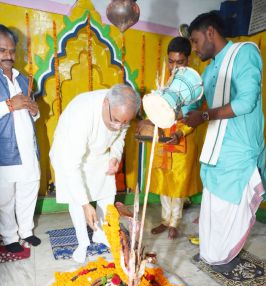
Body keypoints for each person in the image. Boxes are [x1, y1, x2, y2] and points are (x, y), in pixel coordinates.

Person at [182, 12, 265, 272]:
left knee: (229, 208)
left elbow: (245, 102)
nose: (194, 49)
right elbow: (193, 107)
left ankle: (223, 256)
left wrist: (205, 115)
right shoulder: (209, 71)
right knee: (213, 205)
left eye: (195, 41)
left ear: (210, 32)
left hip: (239, 148)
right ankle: (213, 254)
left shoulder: (245, 53)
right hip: (216, 150)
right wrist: (176, 126)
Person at [50, 84, 141, 263]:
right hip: (69, 155)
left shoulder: (121, 113)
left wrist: (114, 156)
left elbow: (120, 136)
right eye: (115, 120)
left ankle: (100, 234)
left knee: (107, 192)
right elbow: (71, 167)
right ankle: (83, 242)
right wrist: (85, 204)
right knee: (76, 199)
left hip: (98, 152)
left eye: (124, 122)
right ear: (106, 103)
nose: (118, 126)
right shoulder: (81, 115)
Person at [142, 37, 201, 239]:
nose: (174, 67)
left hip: (182, 139)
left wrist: (179, 132)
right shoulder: (163, 83)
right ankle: (165, 220)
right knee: (163, 180)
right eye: (171, 61)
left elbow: (192, 118)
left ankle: (175, 222)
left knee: (178, 183)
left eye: (180, 62)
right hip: (163, 139)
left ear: (188, 61)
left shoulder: (193, 86)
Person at [0, 25, 41, 253]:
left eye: (12, 51)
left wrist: (35, 111)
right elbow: (11, 107)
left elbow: (33, 114)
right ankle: (9, 237)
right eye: (2, 50)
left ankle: (26, 231)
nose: (8, 56)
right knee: (5, 199)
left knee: (29, 190)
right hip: (5, 149)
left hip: (28, 148)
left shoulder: (24, 79)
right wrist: (8, 105)